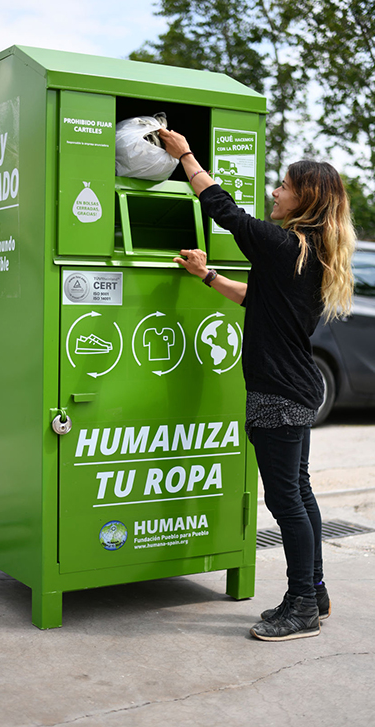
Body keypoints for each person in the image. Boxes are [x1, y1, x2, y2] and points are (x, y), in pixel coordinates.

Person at [158, 127, 356, 642]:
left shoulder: (284, 244)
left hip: (277, 391)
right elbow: (260, 301)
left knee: (285, 500)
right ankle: (315, 589)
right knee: (299, 492)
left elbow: (226, 213)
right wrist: (208, 277)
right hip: (296, 386)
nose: (275, 191)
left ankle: (301, 607)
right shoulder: (305, 251)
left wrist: (186, 158)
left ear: (304, 198)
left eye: (283, 186)